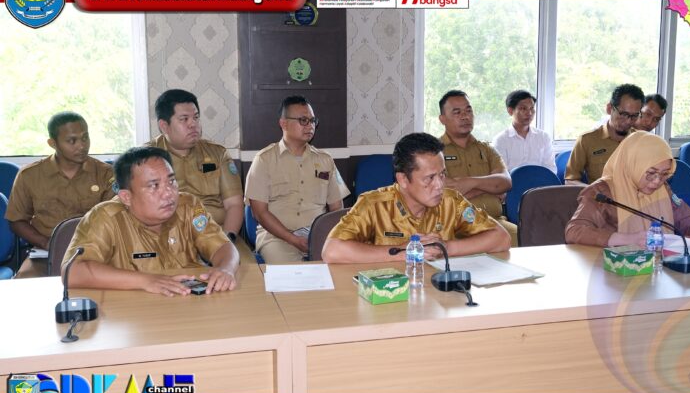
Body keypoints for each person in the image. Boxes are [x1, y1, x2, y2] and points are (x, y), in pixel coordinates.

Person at [63, 147, 239, 296]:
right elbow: (72, 272)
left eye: (171, 181)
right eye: (154, 186)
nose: (169, 193)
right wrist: (145, 281)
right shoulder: (105, 217)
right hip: (134, 307)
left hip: (189, 300)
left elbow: (222, 246)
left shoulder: (188, 206)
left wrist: (226, 269)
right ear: (126, 197)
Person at [322, 133, 511, 263]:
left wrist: (445, 248)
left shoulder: (451, 201)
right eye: (430, 178)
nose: (439, 185)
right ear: (403, 179)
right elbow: (331, 250)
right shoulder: (374, 204)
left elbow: (501, 238)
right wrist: (402, 252)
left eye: (442, 174)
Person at [565, 131, 690, 248]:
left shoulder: (663, 188)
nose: (657, 181)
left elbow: (687, 219)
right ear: (633, 164)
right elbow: (574, 231)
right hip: (615, 271)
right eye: (651, 173)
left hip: (659, 266)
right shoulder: (602, 192)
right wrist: (627, 239)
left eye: (664, 174)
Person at [245, 95, 350, 262]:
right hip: (277, 238)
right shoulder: (264, 160)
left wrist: (328, 237)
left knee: (338, 270)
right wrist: (293, 239)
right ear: (283, 123)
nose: (310, 125)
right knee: (290, 274)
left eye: (312, 120)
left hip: (318, 237)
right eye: (303, 120)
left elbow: (337, 208)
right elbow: (259, 212)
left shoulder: (325, 160)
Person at [148, 89, 248, 258]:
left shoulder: (217, 154)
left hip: (218, 234)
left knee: (246, 269)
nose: (193, 124)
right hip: (166, 239)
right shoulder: (145, 158)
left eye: (196, 117)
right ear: (164, 126)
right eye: (184, 119)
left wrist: (225, 241)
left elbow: (234, 204)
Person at [5, 112, 114, 250]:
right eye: (72, 141)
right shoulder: (29, 175)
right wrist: (46, 243)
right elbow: (16, 220)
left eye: (85, 138)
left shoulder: (106, 173)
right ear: (53, 143)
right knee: (31, 267)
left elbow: (114, 218)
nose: (82, 146)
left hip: (95, 248)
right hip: (46, 249)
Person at [436, 90, 516, 241]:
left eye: (468, 111)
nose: (465, 116)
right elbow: (442, 194)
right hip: (454, 228)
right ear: (442, 119)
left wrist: (468, 183)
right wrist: (488, 189)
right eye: (457, 112)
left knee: (523, 238)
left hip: (495, 222)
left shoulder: (486, 149)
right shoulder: (434, 152)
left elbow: (505, 182)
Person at [565, 83, 645, 185]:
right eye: (624, 114)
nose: (628, 121)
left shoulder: (642, 141)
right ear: (609, 108)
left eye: (634, 116)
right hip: (600, 195)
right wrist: (593, 190)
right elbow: (570, 180)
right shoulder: (587, 140)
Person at [492, 90, 556, 173]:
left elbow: (551, 169)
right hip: (513, 181)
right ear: (510, 111)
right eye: (523, 108)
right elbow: (501, 173)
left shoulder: (543, 137)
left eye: (532, 108)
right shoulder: (501, 140)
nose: (529, 113)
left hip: (540, 181)